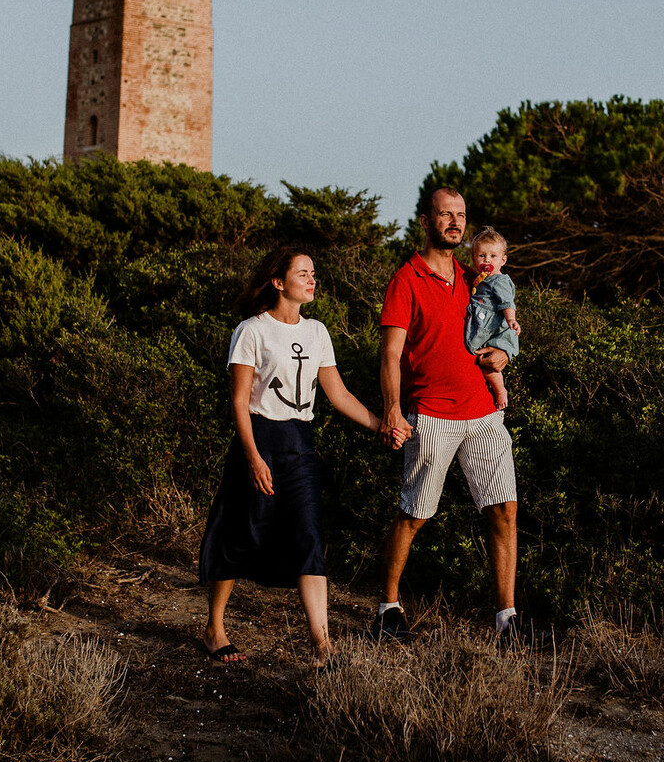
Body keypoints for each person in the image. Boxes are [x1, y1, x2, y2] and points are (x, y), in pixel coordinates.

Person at [199, 247, 384, 667]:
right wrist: (252, 457)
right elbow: (240, 401)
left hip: (300, 444)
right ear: (278, 282)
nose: (312, 279)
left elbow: (337, 395)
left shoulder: (317, 332)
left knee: (310, 538)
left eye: (313, 273)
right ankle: (214, 629)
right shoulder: (252, 331)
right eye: (303, 273)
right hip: (260, 438)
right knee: (240, 531)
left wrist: (381, 425)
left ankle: (323, 647)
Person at [372, 187, 531, 647]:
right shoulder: (407, 279)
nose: (455, 223)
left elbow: (501, 325)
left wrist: (503, 353)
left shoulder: (473, 277)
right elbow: (391, 353)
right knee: (415, 513)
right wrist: (392, 410)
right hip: (432, 415)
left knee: (505, 509)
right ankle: (387, 609)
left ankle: (507, 619)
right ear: (426, 222)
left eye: (461, 216)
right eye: (446, 215)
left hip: (483, 413)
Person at [465, 227, 520, 411]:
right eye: (482, 256)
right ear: (474, 258)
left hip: (495, 330)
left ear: (503, 260)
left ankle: (500, 391)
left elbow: (507, 302)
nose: (487, 260)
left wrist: (511, 319)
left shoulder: (500, 280)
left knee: (489, 366)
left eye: (493, 256)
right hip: (485, 324)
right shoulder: (480, 280)